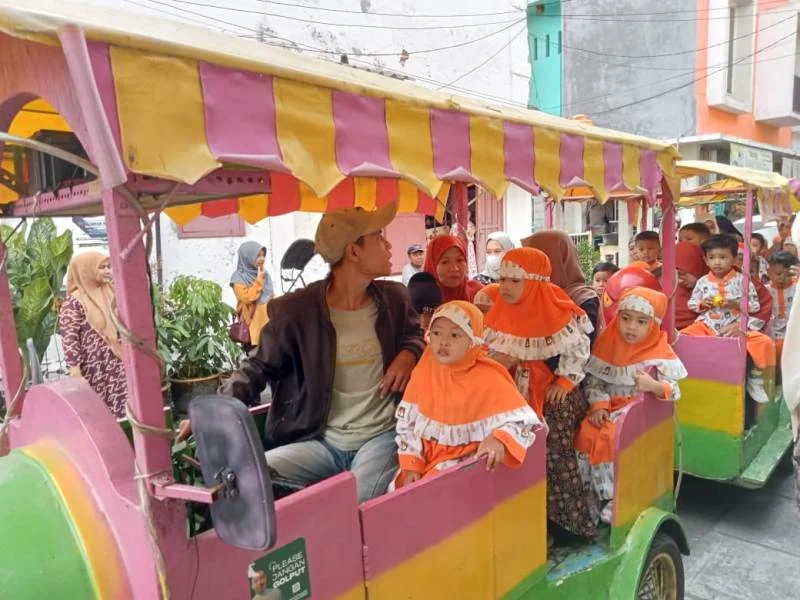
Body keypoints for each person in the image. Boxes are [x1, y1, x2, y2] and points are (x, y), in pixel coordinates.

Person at [208, 203, 425, 503]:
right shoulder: (298, 311)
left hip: (382, 437)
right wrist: (212, 413)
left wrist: (409, 353)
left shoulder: (395, 299)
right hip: (320, 441)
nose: (388, 244)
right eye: (378, 237)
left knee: (359, 503)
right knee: (249, 480)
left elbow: (417, 336)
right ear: (353, 252)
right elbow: (257, 366)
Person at [484, 247, 598, 539]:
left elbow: (579, 349)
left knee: (553, 437)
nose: (505, 287)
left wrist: (565, 381)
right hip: (513, 388)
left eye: (514, 281)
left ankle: (567, 522)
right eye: (504, 279)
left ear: (534, 281)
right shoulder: (500, 309)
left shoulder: (558, 309)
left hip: (554, 388)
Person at [393, 301, 540, 487]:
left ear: (473, 341)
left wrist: (499, 438)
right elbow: (407, 423)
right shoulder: (423, 371)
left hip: (466, 467)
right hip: (423, 464)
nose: (444, 341)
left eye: (455, 334)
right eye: (437, 333)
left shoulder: (489, 376)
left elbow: (522, 420)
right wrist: (412, 462)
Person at [575, 287, 687, 523]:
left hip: (637, 413)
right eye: (625, 319)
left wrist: (654, 386)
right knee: (585, 432)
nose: (631, 327)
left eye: (640, 321)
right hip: (609, 409)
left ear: (652, 325)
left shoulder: (659, 352)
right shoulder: (608, 343)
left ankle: (615, 496)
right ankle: (590, 494)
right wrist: (599, 405)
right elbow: (593, 381)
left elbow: (674, 389)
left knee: (611, 437)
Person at [681, 235, 775, 405]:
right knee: (683, 336)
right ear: (706, 260)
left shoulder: (743, 280)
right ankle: (685, 376)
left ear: (734, 259)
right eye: (712, 258)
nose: (717, 262)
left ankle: (754, 375)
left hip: (735, 326)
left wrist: (736, 303)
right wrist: (703, 304)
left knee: (764, 342)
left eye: (722, 257)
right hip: (708, 325)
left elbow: (754, 306)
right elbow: (692, 304)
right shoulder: (702, 282)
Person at [60, 252, 127, 419]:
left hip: (116, 363)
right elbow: (70, 339)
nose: (108, 271)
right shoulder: (73, 302)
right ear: (85, 270)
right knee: (100, 415)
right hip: (94, 368)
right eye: (102, 267)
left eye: (109, 267)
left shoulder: (111, 291)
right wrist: (75, 370)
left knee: (124, 411)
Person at [521, 230, 601, 341]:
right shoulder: (530, 296)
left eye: (534, 260)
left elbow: (581, 346)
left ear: (553, 260)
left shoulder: (583, 299)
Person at [231, 241, 274, 352]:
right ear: (247, 257)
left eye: (263, 255)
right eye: (257, 256)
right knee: (256, 359)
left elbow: (271, 295)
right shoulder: (238, 278)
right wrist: (259, 280)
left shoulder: (264, 274)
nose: (262, 259)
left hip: (268, 325)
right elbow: (248, 298)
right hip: (252, 327)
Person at [423, 235, 483, 302]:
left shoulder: (479, 294)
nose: (454, 268)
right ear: (432, 265)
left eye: (459, 260)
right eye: (445, 262)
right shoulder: (419, 301)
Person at [766, 251, 799, 361]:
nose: (782, 278)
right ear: (769, 272)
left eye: (787, 275)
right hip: (771, 331)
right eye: (778, 274)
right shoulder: (765, 290)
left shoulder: (797, 288)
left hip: (793, 331)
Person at [675, 241, 707, 330]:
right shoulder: (673, 288)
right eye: (677, 275)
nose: (680, 280)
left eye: (683, 274)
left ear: (696, 266)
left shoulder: (714, 284)